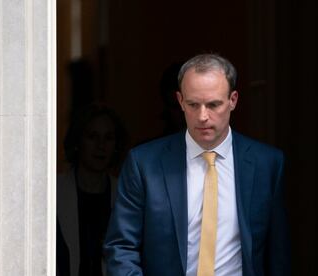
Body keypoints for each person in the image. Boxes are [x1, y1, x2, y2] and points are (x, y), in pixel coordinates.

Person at [103, 54, 290, 275]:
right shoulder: (144, 163)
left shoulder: (267, 164)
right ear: (180, 101)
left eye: (213, 105)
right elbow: (121, 247)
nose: (202, 116)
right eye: (193, 104)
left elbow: (277, 256)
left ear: (233, 100)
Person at [57, 103, 127, 276]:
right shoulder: (54, 191)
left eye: (108, 138)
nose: (101, 146)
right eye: (92, 136)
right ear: (78, 141)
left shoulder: (125, 194)